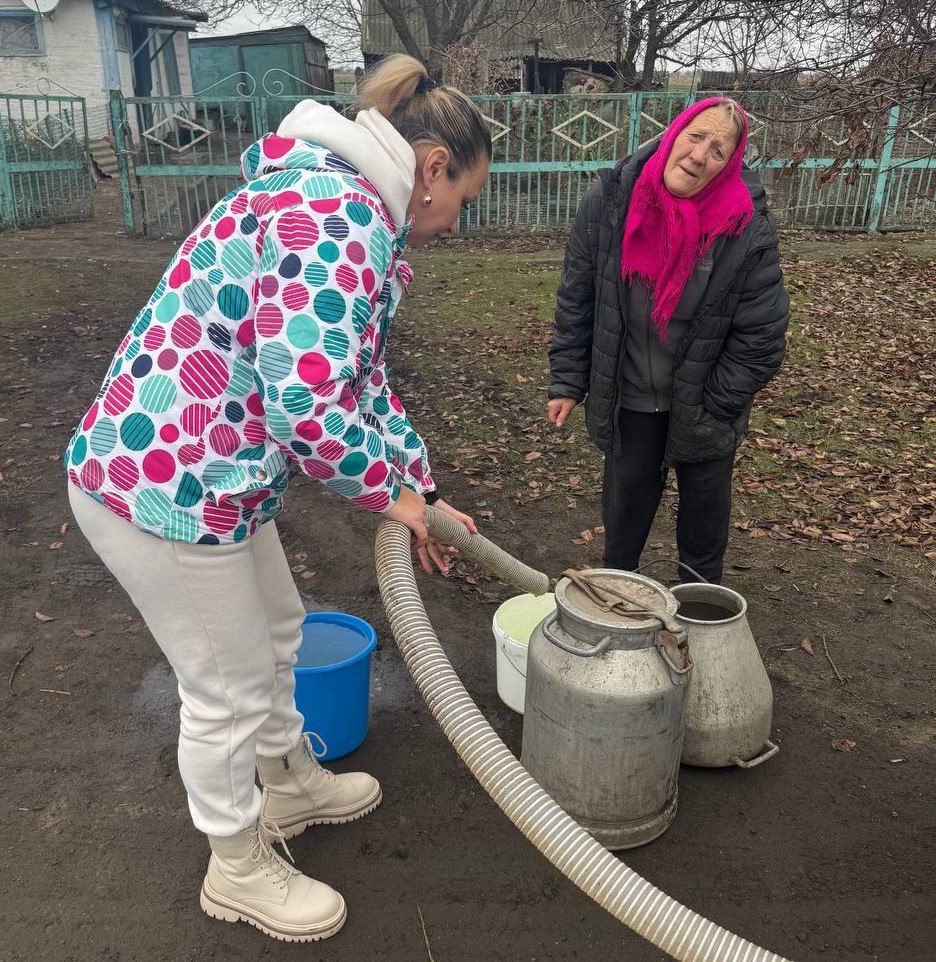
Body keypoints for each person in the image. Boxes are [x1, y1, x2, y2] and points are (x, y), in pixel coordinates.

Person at [64, 55, 491, 943]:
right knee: (224, 685)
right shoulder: (334, 214)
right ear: (431, 168)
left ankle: (290, 782)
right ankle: (235, 868)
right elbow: (308, 406)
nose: (457, 222)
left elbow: (360, 382)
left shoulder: (341, 203)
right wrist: (392, 497)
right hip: (166, 485)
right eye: (466, 198)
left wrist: (422, 493)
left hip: (208, 473)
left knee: (281, 628)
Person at [547, 97, 789, 584]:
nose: (701, 155)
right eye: (696, 136)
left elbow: (763, 333)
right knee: (625, 511)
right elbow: (580, 297)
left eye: (719, 151)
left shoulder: (743, 225)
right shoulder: (610, 201)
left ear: (730, 164)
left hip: (704, 404)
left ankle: (701, 622)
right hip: (630, 396)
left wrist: (716, 402)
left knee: (703, 524)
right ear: (674, 133)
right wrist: (568, 380)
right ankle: (620, 604)